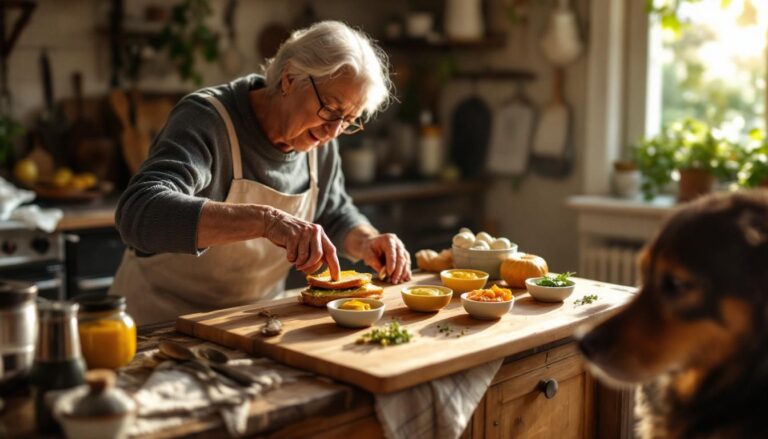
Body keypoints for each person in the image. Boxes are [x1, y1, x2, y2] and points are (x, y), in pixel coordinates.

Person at [110, 21, 412, 325]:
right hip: (160, 325)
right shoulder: (207, 120)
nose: (334, 131)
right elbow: (139, 213)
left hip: (250, 325)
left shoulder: (318, 138)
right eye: (330, 109)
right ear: (289, 79)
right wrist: (267, 221)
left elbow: (333, 212)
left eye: (349, 119)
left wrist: (366, 241)